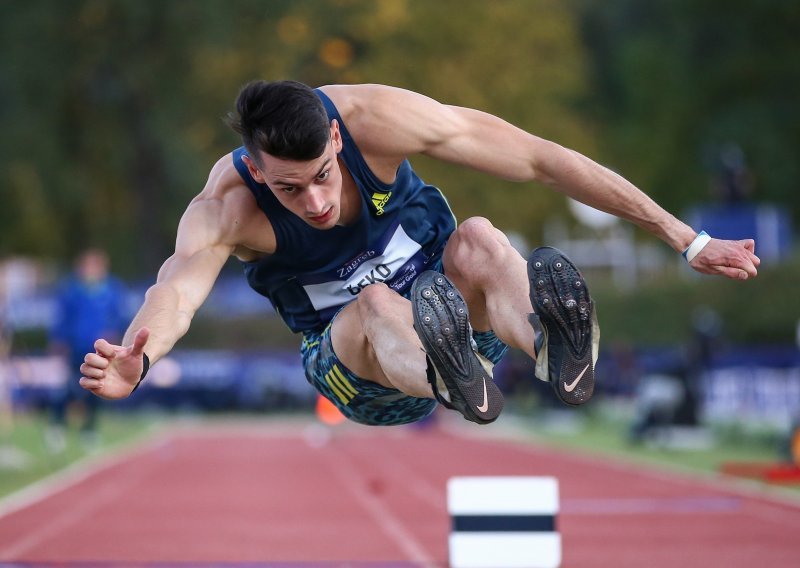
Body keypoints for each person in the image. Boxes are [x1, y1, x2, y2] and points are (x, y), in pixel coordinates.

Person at [78, 81, 760, 426]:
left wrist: (687, 237)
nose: (315, 202)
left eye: (322, 176)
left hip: (456, 319)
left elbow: (541, 158)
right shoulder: (226, 208)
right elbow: (177, 290)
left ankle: (553, 351)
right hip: (360, 367)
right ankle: (445, 373)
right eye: (289, 188)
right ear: (257, 171)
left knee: (483, 238)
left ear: (339, 142)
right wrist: (141, 359)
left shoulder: (377, 120)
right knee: (375, 302)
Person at [49, 248, 127, 449]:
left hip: (99, 350)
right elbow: (62, 318)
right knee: (68, 388)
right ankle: (58, 426)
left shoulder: (112, 289)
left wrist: (115, 337)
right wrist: (59, 340)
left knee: (97, 389)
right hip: (75, 346)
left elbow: (119, 317)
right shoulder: (71, 290)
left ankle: (89, 430)